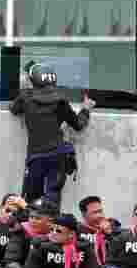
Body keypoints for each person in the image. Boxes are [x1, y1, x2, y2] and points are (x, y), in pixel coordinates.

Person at [10, 63, 93, 209]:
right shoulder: (61, 99)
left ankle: (33, 230)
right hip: (58, 154)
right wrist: (85, 109)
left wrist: (24, 88)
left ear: (32, 80)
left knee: (31, 200)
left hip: (36, 156)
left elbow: (14, 109)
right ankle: (53, 228)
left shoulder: (25, 97)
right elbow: (78, 125)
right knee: (53, 199)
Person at [77, 196, 121, 267]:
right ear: (84, 215)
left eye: (101, 211)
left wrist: (109, 233)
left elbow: (121, 249)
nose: (100, 215)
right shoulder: (77, 230)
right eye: (95, 213)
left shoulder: (113, 225)